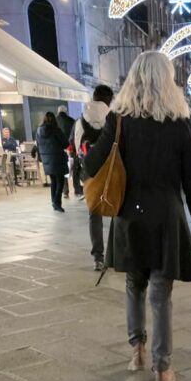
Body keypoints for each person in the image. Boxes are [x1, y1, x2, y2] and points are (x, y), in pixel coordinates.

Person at [84, 51, 191, 381]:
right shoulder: (180, 123)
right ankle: (162, 370)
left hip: (129, 216)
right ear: (167, 81)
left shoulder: (119, 121)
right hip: (167, 217)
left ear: (133, 80)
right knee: (160, 293)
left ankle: (137, 351)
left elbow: (91, 165)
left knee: (133, 285)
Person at [75, 84, 114, 271]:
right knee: (118, 210)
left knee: (94, 214)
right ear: (109, 100)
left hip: (89, 172)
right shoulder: (113, 119)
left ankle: (98, 257)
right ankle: (115, 254)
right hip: (111, 171)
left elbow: (77, 147)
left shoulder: (81, 120)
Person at [35, 111, 69, 212]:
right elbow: (65, 144)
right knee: (60, 181)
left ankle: (54, 202)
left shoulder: (39, 131)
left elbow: (38, 145)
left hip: (46, 160)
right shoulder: (56, 130)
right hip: (57, 159)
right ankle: (57, 203)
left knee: (53, 181)